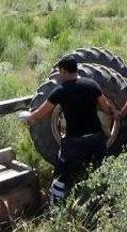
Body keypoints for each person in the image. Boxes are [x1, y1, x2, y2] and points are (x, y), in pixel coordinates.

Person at [18, 56, 116, 204]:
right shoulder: (92, 84)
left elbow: (39, 115)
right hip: (96, 139)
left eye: (59, 72)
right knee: (101, 169)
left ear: (63, 71)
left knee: (62, 173)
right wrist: (113, 113)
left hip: (74, 142)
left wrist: (27, 118)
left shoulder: (60, 91)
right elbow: (106, 108)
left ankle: (56, 203)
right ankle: (105, 200)